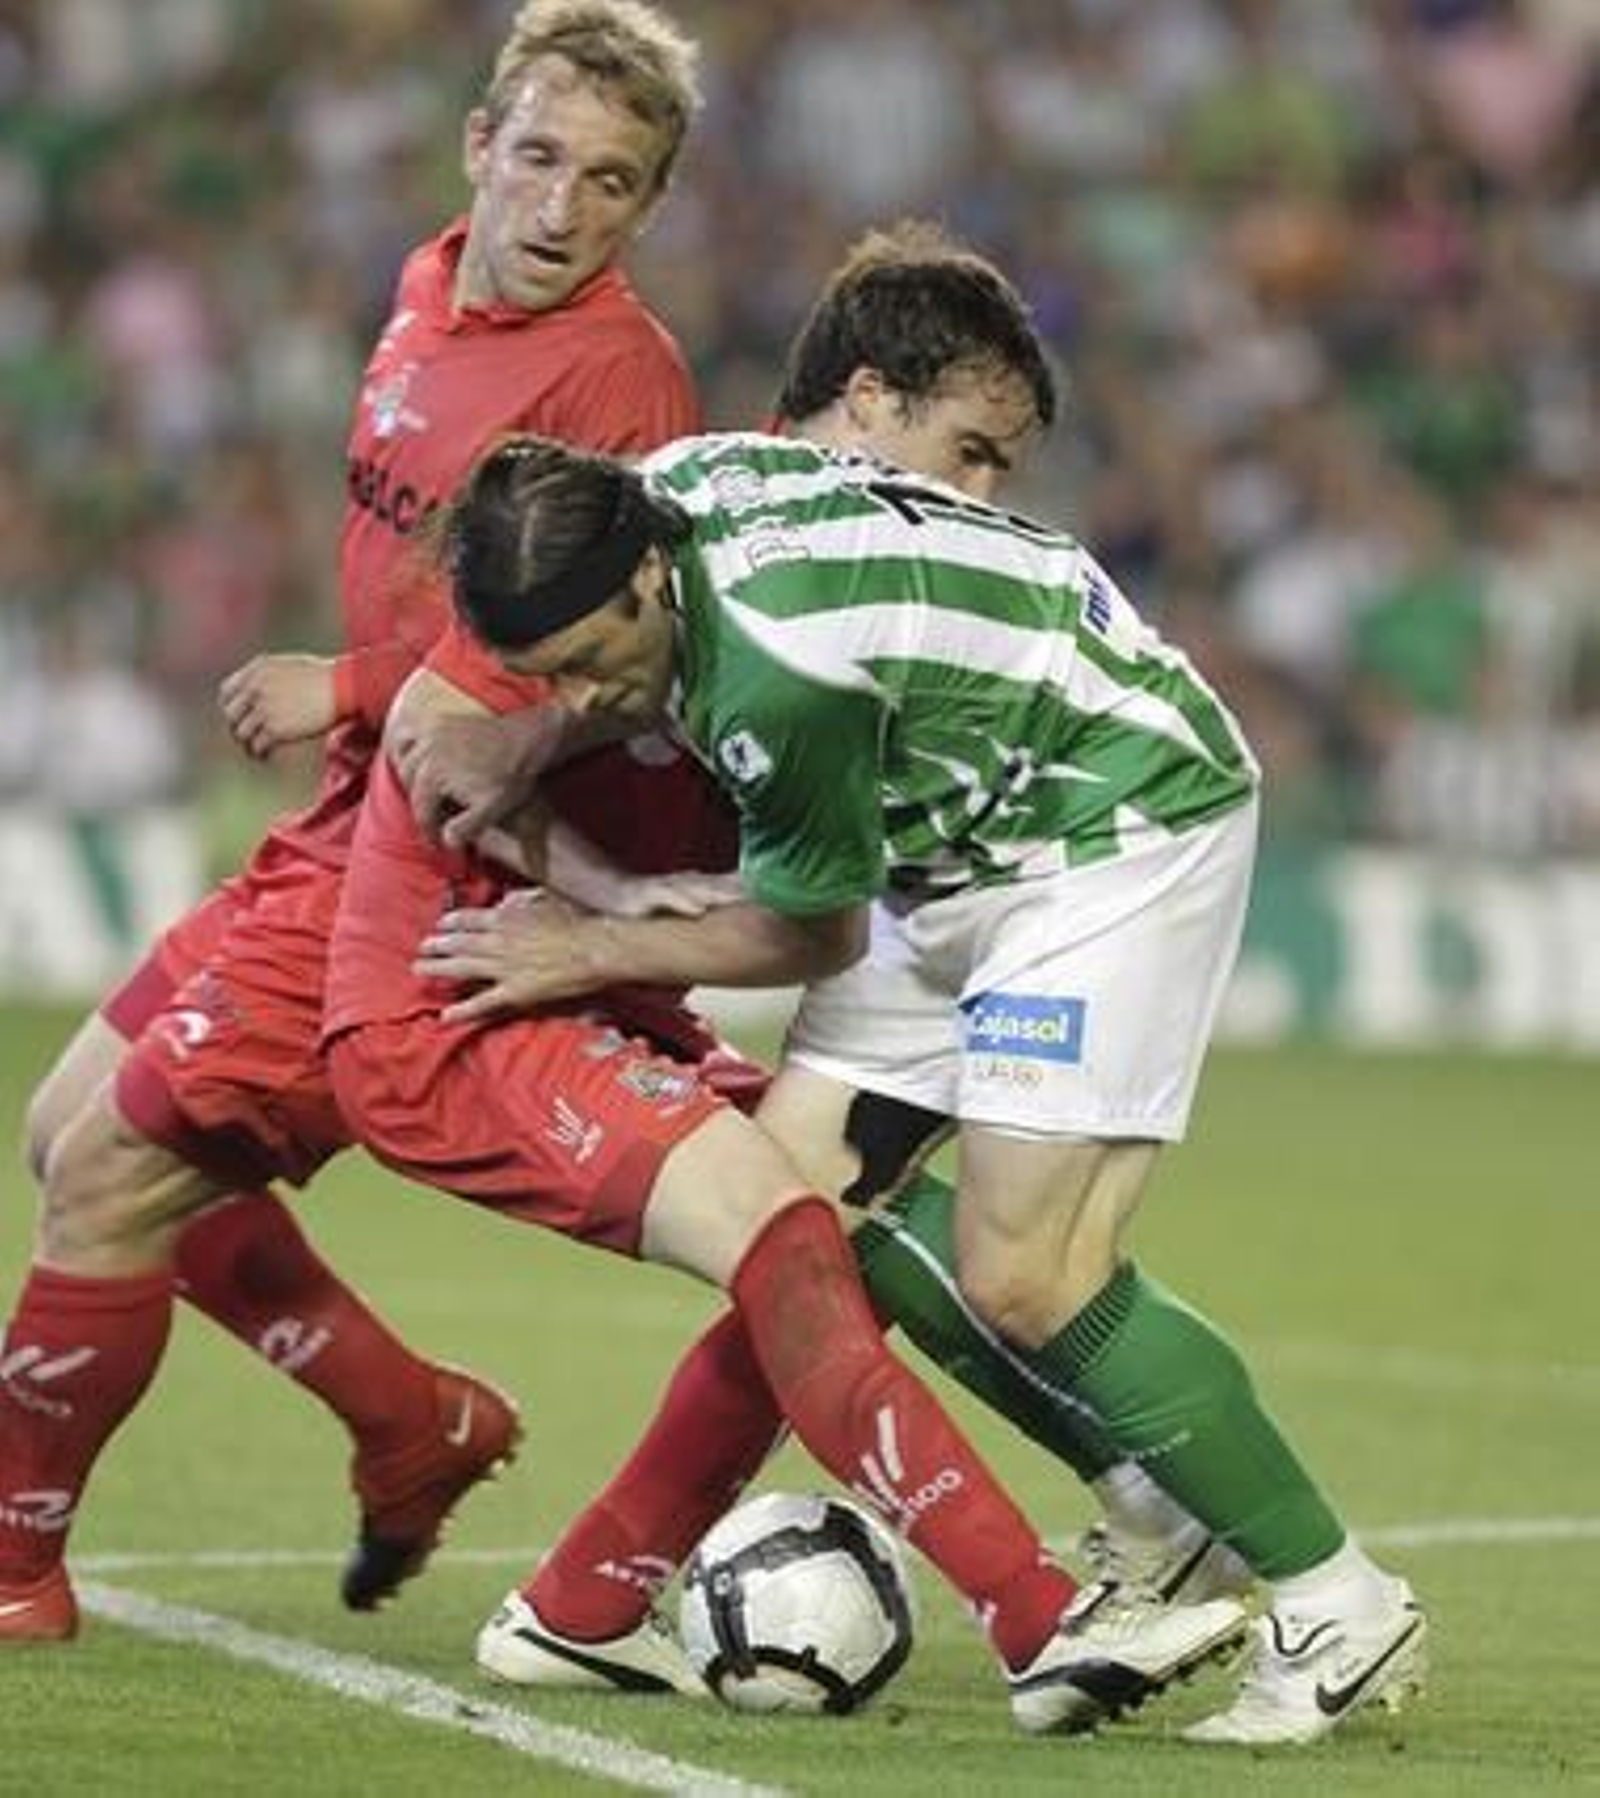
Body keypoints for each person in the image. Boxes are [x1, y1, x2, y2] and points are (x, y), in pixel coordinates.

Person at [418, 425, 1430, 1747]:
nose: (582, 696)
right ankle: (1164, 1502)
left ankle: (1339, 1601)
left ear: (646, 581)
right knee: (796, 1216)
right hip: (960, 841)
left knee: (1027, 1267)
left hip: (1104, 822)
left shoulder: (778, 675)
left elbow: (810, 935)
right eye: (539, 676)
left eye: (590, 661)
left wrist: (584, 943)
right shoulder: (647, 503)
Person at [0, 0, 708, 1640]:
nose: (561, 206)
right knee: (65, 1130)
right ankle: (409, 1419)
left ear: (647, 207)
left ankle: (15, 1573)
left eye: (612, 182)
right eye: (539, 157)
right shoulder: (422, 290)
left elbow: (609, 673)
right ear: (480, 146)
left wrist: (360, 680)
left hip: (443, 843)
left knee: (107, 1175)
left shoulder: (622, 378)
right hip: (345, 812)